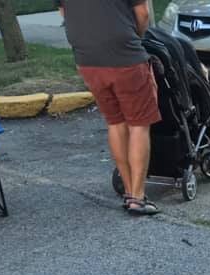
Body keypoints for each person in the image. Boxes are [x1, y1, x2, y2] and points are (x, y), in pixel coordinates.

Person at [59, 0, 161, 215]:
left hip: (87, 59)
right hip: (126, 56)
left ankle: (128, 191)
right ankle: (138, 197)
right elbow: (142, 14)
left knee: (115, 123)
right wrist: (136, 37)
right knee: (138, 125)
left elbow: (65, 14)